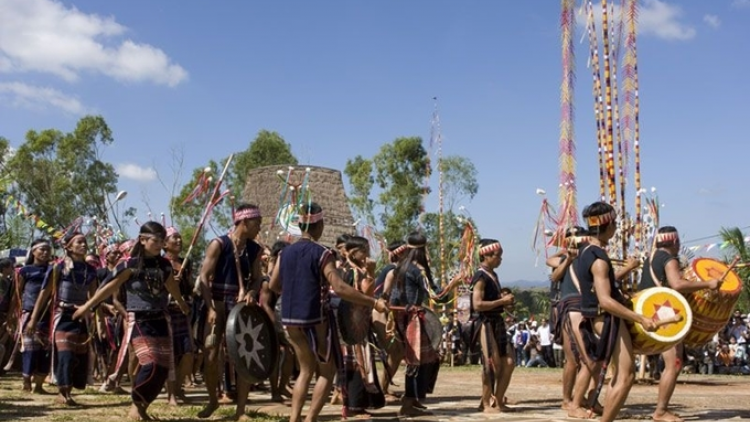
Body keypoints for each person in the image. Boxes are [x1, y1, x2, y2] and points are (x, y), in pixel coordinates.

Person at [269, 202, 388, 422]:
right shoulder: (322, 253)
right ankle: (310, 419)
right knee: (326, 371)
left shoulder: (285, 253)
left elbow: (274, 285)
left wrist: (296, 290)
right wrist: (373, 302)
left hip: (290, 319)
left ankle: (294, 419)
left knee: (305, 371)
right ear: (319, 225)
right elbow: (341, 288)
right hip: (315, 319)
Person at [567, 201, 657, 422]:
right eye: (615, 223)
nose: (617, 228)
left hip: (599, 317)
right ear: (606, 226)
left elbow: (604, 290)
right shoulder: (598, 259)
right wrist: (641, 318)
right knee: (625, 376)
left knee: (622, 375)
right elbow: (605, 301)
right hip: (606, 317)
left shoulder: (586, 252)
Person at [639, 226, 723, 422]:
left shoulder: (649, 260)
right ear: (674, 243)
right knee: (674, 363)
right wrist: (708, 284)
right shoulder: (670, 259)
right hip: (664, 312)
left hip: (646, 310)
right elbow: (677, 285)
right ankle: (660, 411)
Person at [197, 203, 264, 421]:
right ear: (244, 222)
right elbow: (204, 277)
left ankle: (241, 410)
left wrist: (252, 292)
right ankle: (213, 400)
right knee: (211, 355)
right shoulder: (219, 244)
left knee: (243, 357)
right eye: (257, 223)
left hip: (240, 308)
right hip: (216, 304)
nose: (259, 228)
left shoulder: (255, 249)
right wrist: (209, 308)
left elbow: (257, 279)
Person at [27, 231, 99, 406]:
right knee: (65, 354)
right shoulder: (59, 268)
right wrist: (33, 319)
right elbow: (44, 295)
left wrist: (99, 321)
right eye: (79, 242)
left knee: (78, 357)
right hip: (64, 316)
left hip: (82, 317)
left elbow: (95, 297)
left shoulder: (91, 270)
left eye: (84, 242)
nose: (83, 245)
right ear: (68, 247)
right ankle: (62, 391)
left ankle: (69, 390)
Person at [383, 232, 442, 417]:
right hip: (412, 318)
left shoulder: (401, 266)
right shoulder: (419, 270)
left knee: (421, 359)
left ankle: (414, 399)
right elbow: (436, 295)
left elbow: (392, 297)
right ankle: (408, 403)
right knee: (416, 361)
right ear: (423, 250)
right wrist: (454, 284)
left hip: (402, 316)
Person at [340, 235, 385, 418]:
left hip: (355, 323)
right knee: (357, 363)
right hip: (354, 325)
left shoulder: (348, 270)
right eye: (364, 251)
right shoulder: (353, 271)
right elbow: (366, 293)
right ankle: (354, 406)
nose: (367, 255)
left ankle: (357, 404)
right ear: (353, 253)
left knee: (360, 362)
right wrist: (372, 273)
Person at [468, 238, 515, 413]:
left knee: (508, 362)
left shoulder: (492, 274)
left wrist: (504, 304)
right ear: (486, 255)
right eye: (497, 256)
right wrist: (501, 301)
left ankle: (498, 400)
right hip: (485, 322)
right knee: (491, 364)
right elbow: (478, 304)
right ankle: (486, 403)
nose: (500, 259)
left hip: (497, 321)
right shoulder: (480, 276)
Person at [162, 227, 195, 406]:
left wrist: (188, 283)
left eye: (180, 238)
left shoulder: (185, 263)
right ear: (165, 244)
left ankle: (179, 388)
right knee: (170, 355)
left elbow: (190, 288)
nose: (179, 241)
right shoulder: (161, 264)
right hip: (166, 313)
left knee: (188, 353)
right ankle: (170, 394)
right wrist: (168, 284)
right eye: (174, 238)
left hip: (183, 312)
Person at [16, 239, 53, 393]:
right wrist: (14, 315)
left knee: (46, 349)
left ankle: (38, 384)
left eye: (47, 250)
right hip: (29, 312)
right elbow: (17, 294)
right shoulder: (25, 271)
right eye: (41, 249)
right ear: (33, 251)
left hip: (49, 314)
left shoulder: (53, 270)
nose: (45, 253)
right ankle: (26, 381)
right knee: (29, 349)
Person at [372, 240, 406, 401]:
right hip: (380, 312)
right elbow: (384, 297)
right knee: (395, 351)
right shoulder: (392, 271)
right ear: (400, 253)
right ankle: (382, 390)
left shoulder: (397, 270)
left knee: (398, 352)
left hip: (386, 312)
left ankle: (384, 387)